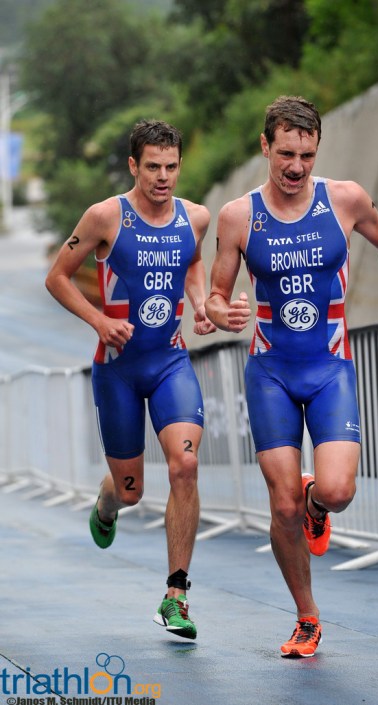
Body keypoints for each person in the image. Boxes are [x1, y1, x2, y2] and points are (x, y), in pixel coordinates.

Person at [205, 95, 378, 658]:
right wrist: (223, 314)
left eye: (307, 155)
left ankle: (317, 505)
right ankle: (306, 617)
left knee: (338, 491)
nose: (296, 167)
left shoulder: (345, 199)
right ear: (265, 147)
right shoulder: (238, 216)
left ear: (316, 150)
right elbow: (216, 296)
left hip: (329, 370)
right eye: (286, 154)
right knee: (282, 507)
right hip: (270, 373)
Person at [45, 119, 216, 641]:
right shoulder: (105, 216)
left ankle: (176, 595)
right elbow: (56, 277)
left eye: (171, 167)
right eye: (153, 167)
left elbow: (192, 262)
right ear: (133, 166)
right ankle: (107, 502)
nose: (163, 177)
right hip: (117, 370)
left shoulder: (196, 217)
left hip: (169, 363)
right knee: (131, 490)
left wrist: (200, 304)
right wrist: (100, 321)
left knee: (185, 464)